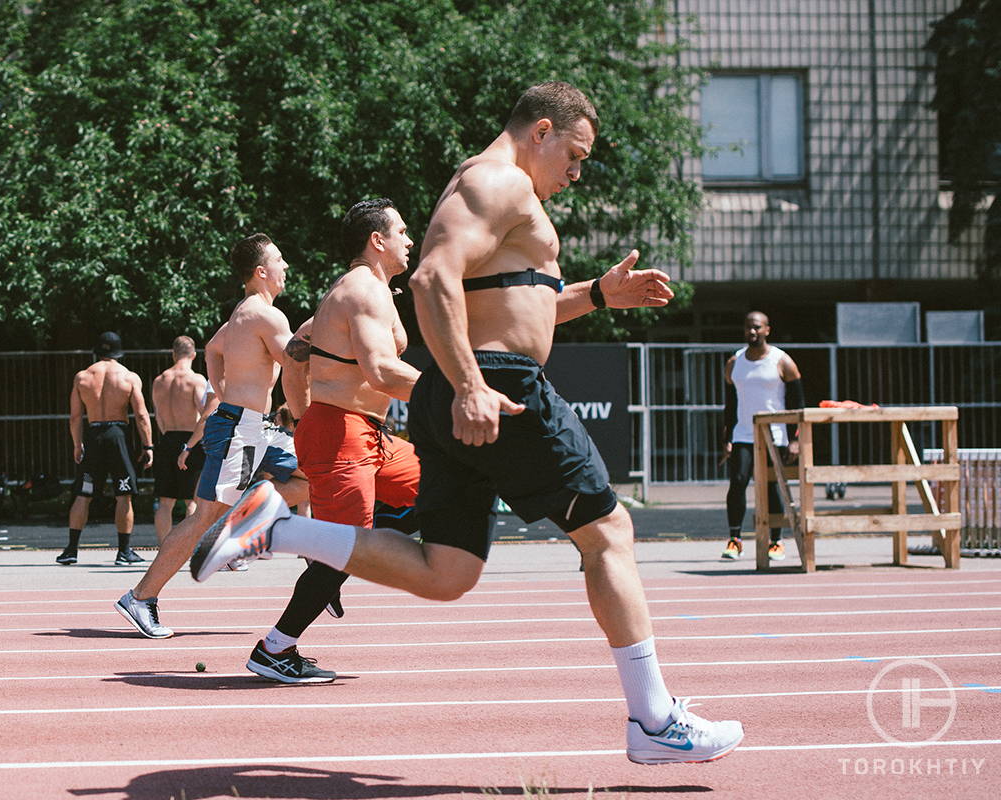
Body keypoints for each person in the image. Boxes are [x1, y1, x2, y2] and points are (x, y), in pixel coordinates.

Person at [189, 82, 744, 765]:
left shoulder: (509, 198)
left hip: (472, 385)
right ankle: (655, 722)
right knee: (609, 532)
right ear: (541, 130)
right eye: (575, 153)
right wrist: (471, 385)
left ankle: (276, 528)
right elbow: (432, 279)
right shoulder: (496, 181)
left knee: (446, 573)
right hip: (497, 387)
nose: (578, 171)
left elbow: (511, 302)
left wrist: (598, 294)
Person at [246, 198, 421, 684]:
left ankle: (328, 555)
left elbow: (299, 350)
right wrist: (457, 393)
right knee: (350, 548)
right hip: (342, 432)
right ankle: (274, 649)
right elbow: (382, 371)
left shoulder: (365, 291)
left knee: (437, 487)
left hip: (367, 434)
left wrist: (303, 416)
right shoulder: (363, 290)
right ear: (377, 240)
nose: (410, 240)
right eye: (402, 232)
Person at [114, 233, 309, 639]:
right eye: (279, 260)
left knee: (311, 474)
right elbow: (295, 366)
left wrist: (223, 390)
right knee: (205, 515)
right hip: (241, 425)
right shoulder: (265, 316)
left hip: (255, 426)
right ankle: (141, 596)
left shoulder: (243, 313)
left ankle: (263, 540)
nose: (285, 267)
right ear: (261, 272)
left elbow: (212, 346)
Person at [57, 331, 154, 566]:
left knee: (84, 493)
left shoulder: (82, 377)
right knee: (124, 493)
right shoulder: (128, 377)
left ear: (97, 352)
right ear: (119, 351)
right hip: (117, 435)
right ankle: (124, 551)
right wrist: (148, 445)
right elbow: (141, 415)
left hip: (93, 434)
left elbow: (75, 417)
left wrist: (77, 444)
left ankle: (71, 549)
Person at [719, 311, 804, 561]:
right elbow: (730, 403)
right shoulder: (734, 362)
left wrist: (795, 438)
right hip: (744, 433)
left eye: (756, 327)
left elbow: (797, 401)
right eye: (747, 328)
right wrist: (727, 438)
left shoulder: (782, 361)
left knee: (771, 487)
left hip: (774, 434)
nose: (751, 332)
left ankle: (776, 541)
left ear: (767, 329)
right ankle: (735, 539)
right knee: (738, 482)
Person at [151, 336, 214, 544]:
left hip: (167, 438)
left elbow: (158, 417)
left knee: (165, 502)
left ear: (173, 354)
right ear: (194, 355)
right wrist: (189, 445)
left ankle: (164, 548)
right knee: (192, 501)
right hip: (190, 441)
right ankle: (187, 548)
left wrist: (169, 436)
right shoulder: (195, 380)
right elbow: (204, 416)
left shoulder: (159, 381)